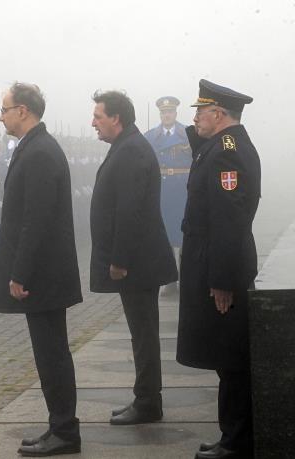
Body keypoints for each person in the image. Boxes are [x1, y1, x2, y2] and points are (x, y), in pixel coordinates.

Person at [0, 82, 82, 456]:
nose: (0, 116)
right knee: (50, 353)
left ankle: (65, 431)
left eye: (4, 109)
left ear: (23, 111)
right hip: (45, 273)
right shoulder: (35, 146)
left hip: (43, 275)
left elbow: (36, 220)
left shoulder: (40, 152)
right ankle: (60, 426)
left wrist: (20, 273)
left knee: (52, 354)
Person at [176, 80, 259, 459]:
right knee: (225, 358)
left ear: (219, 113)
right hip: (213, 259)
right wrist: (199, 134)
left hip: (222, 266)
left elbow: (229, 219)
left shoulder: (228, 153)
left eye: (200, 111)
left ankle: (237, 441)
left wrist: (222, 280)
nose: (194, 118)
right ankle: (232, 435)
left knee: (231, 358)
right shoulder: (222, 146)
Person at [90, 90, 178, 425]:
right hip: (138, 260)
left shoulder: (130, 150)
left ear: (116, 118)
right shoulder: (127, 146)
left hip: (137, 263)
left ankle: (147, 403)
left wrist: (119, 260)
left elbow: (130, 211)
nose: (93, 123)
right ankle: (146, 398)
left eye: (98, 116)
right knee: (142, 333)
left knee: (143, 334)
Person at [144, 96, 192, 295]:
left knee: (185, 235)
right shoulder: (150, 136)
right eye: (163, 112)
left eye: (170, 112)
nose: (167, 115)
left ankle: (187, 279)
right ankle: (170, 279)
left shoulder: (188, 134)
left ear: (175, 113)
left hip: (183, 191)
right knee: (164, 236)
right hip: (162, 192)